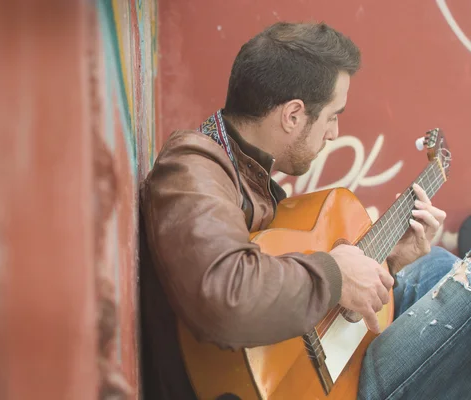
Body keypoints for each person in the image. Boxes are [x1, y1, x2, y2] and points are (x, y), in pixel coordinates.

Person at [139, 22, 469, 400]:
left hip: (313, 360)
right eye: (332, 115)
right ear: (293, 115)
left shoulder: (249, 176)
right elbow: (225, 293)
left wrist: (388, 262)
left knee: (438, 266)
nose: (333, 132)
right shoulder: (193, 170)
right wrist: (337, 275)